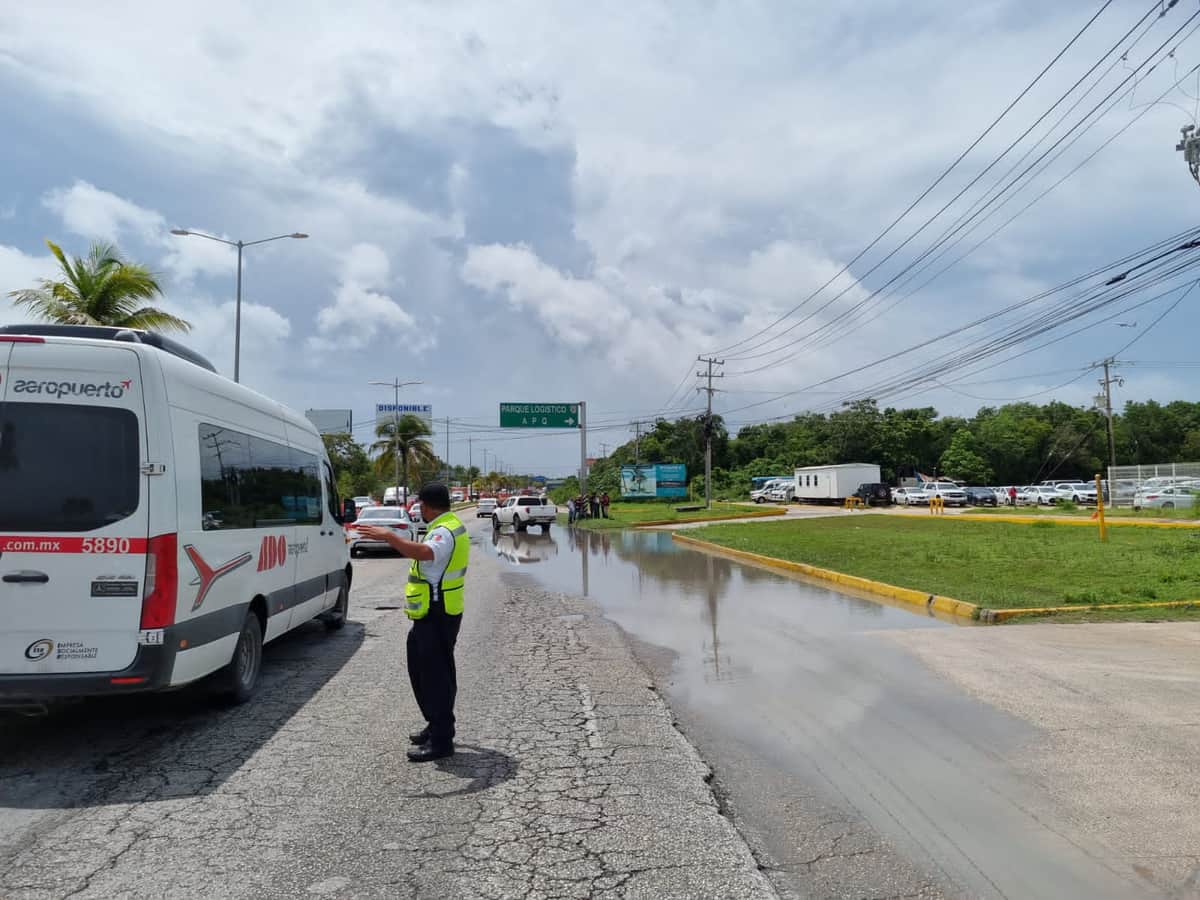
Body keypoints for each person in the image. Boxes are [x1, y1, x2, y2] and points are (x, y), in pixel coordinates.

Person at [356, 483, 469, 762]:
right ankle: (436, 725)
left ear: (427, 506)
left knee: (435, 676)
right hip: (432, 613)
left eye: (419, 505)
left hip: (437, 612)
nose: (418, 509)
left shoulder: (444, 530)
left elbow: (423, 553)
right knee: (424, 670)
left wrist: (389, 536)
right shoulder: (447, 524)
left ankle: (442, 740)